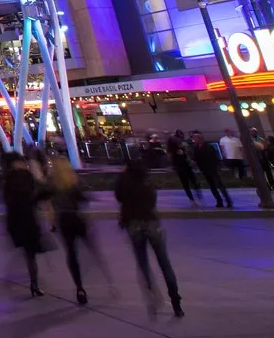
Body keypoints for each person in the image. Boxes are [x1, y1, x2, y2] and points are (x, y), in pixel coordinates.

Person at [114, 158, 183, 317]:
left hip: (134, 225)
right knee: (165, 264)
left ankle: (151, 292)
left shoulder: (123, 182)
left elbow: (119, 199)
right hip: (151, 223)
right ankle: (176, 301)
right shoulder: (147, 181)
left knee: (143, 262)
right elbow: (153, 200)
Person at [49, 156, 105, 304]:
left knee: (71, 253)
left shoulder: (53, 183)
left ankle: (79, 287)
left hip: (64, 220)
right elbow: (82, 197)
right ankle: (104, 275)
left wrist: (53, 221)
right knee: (91, 247)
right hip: (76, 218)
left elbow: (47, 200)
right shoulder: (73, 180)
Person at [1, 153, 48, 296]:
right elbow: (34, 195)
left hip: (15, 220)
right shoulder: (26, 177)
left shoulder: (6, 179)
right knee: (30, 255)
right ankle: (34, 283)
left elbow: (6, 199)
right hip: (28, 218)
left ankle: (33, 282)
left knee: (26, 252)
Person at [190, 131, 231, 208]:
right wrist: (193, 162)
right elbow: (195, 158)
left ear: (200, 138)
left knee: (219, 185)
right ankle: (219, 201)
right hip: (205, 170)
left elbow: (214, 157)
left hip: (212, 169)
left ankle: (228, 201)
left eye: (195, 139)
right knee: (212, 187)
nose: (194, 140)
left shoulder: (208, 146)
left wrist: (216, 166)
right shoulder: (196, 148)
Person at [165, 133, 198, 203]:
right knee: (186, 183)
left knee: (192, 181)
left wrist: (191, 162)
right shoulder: (171, 150)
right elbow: (170, 159)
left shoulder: (181, 147)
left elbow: (186, 156)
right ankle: (192, 199)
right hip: (180, 168)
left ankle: (195, 193)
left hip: (186, 166)